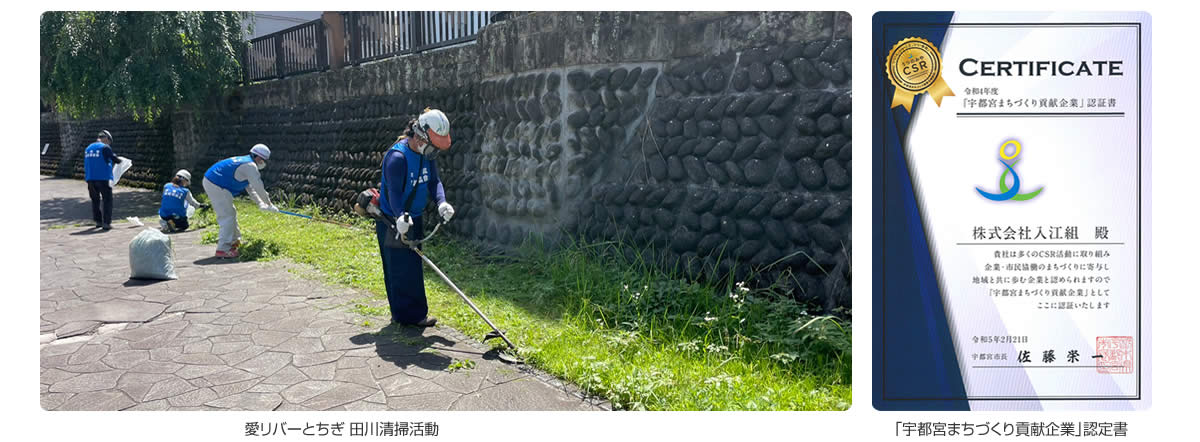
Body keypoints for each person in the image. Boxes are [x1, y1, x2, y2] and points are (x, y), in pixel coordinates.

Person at [376, 108, 456, 326]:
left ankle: (418, 315)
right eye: (433, 147)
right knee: (398, 268)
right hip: (393, 220)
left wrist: (442, 202)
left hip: (415, 218)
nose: (434, 153)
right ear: (420, 137)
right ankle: (402, 318)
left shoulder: (426, 155)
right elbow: (393, 191)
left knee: (414, 265)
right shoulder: (398, 157)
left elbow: (434, 181)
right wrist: (399, 216)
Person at [202, 144, 278, 258]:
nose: (263, 163)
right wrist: (269, 204)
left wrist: (261, 203)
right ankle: (223, 249)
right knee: (227, 216)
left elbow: (250, 188)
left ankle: (235, 241)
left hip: (213, 181)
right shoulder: (250, 166)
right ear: (258, 157)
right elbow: (259, 187)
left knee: (231, 213)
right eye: (263, 160)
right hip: (216, 183)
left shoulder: (245, 162)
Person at [82, 130, 126, 230]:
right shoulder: (104, 147)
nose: (109, 144)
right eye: (109, 142)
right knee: (107, 200)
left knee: (95, 201)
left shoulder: (88, 148)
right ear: (106, 138)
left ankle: (98, 222)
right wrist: (121, 161)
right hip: (103, 178)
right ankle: (106, 222)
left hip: (90, 179)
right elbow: (114, 159)